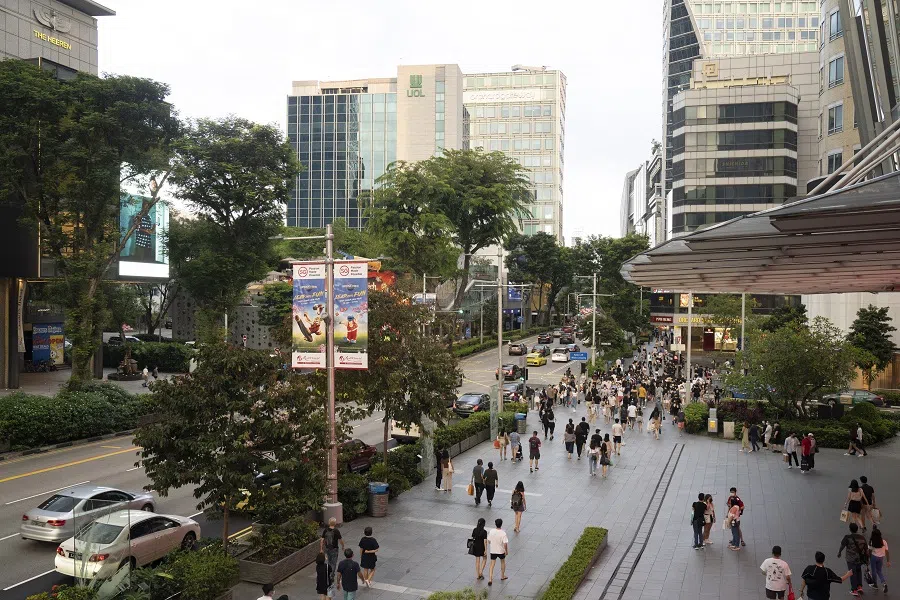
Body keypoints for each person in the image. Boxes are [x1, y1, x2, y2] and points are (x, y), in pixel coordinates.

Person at [838, 523, 870, 596]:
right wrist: (867, 559)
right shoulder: (862, 538)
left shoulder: (847, 537)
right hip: (859, 559)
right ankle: (859, 586)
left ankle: (854, 589)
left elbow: (842, 545)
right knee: (858, 571)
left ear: (850, 529)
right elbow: (866, 550)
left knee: (852, 573)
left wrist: (839, 552)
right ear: (857, 529)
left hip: (851, 559)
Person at [487, 518, 509, 586]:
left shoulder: (491, 531)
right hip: (501, 551)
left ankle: (490, 579)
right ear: (501, 524)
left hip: (493, 550)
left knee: (492, 564)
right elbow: (505, 543)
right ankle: (502, 576)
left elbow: (489, 541)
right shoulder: (503, 533)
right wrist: (506, 551)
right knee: (502, 562)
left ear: (495, 524)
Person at [869, 526, 890, 593]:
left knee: (874, 571)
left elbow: (869, 551)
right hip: (881, 558)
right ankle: (884, 583)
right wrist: (888, 561)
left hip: (873, 557)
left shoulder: (872, 542)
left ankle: (875, 584)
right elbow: (887, 552)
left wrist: (868, 559)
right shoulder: (884, 542)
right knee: (879, 571)